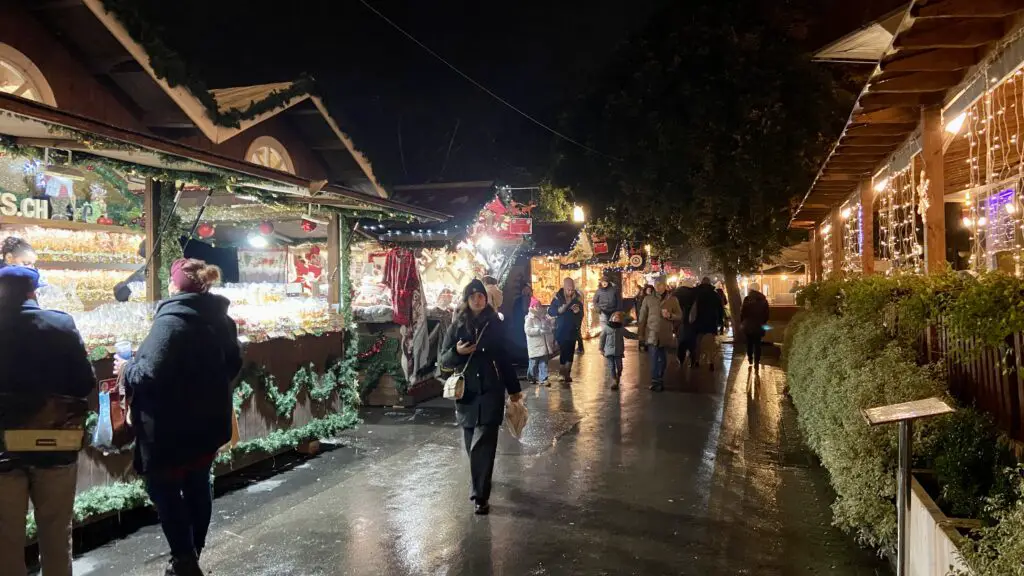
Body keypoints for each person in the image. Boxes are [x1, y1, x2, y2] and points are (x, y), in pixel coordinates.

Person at [113, 258, 242, 576]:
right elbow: (234, 364)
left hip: (169, 429)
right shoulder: (221, 318)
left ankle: (184, 558)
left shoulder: (171, 321)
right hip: (208, 423)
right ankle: (192, 551)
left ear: (174, 285)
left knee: (164, 489)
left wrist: (126, 368)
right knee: (198, 483)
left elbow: (149, 374)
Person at [0, 266, 95, 576]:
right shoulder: (60, 324)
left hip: (2, 450)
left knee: (5, 540)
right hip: (54, 442)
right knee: (56, 532)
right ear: (33, 291)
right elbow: (84, 382)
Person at [439, 279, 522, 515]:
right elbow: (443, 360)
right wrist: (457, 352)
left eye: (481, 296)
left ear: (487, 299)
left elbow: (505, 358)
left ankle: (480, 495)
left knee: (484, 441)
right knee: (471, 445)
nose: (478, 299)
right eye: (473, 296)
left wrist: (514, 389)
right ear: (467, 300)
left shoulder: (496, 324)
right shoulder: (457, 325)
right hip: (466, 392)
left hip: (491, 389)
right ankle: (481, 478)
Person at [637, 279, 682, 391]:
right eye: (656, 285)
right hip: (652, 332)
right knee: (653, 358)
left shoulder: (672, 299)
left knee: (663, 359)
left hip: (665, 333)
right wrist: (640, 333)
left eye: (660, 284)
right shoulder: (648, 299)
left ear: (665, 286)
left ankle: (660, 377)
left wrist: (670, 315)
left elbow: (680, 316)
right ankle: (655, 381)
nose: (657, 287)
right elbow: (642, 317)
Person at [548, 278, 585, 384]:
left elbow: (581, 314)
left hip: (573, 330)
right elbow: (551, 311)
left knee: (570, 351)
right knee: (563, 350)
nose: (570, 292)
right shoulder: (558, 298)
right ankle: (562, 372)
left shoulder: (577, 299)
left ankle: (567, 373)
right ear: (564, 287)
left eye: (572, 289)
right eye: (568, 289)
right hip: (561, 329)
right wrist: (559, 310)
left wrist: (578, 312)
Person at [691, 277, 725, 371]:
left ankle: (697, 360)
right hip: (711, 322)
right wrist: (720, 321)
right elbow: (720, 308)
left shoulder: (696, 293)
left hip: (698, 321)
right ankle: (711, 362)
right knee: (711, 343)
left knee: (698, 342)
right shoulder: (714, 294)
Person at [600, 311, 637, 390]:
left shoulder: (621, 329)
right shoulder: (607, 328)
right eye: (615, 317)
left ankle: (618, 376)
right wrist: (601, 349)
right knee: (611, 366)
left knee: (619, 367)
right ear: (612, 318)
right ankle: (614, 380)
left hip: (618, 351)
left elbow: (628, 335)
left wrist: (638, 336)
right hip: (609, 351)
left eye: (618, 318)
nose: (617, 319)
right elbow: (602, 339)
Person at [740, 282, 771, 371]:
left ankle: (750, 358)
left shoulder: (747, 299)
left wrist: (743, 322)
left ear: (751, 289)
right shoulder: (763, 300)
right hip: (759, 325)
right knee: (758, 344)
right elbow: (766, 314)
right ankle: (757, 361)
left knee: (749, 342)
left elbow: (743, 312)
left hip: (748, 324)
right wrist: (763, 322)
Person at [524, 299, 555, 386]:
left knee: (543, 363)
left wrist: (549, 325)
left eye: (539, 305)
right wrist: (538, 330)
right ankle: (531, 377)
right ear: (532, 307)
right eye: (536, 306)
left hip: (544, 344)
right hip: (535, 345)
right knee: (533, 363)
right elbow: (527, 330)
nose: (538, 307)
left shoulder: (544, 317)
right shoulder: (529, 318)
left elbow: (548, 328)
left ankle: (543, 379)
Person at [673, 280, 698, 368]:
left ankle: (681, 359)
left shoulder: (677, 293)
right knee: (692, 340)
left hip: (680, 320)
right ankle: (693, 358)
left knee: (681, 340)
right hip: (692, 320)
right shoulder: (696, 293)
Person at [508, 284, 533, 364]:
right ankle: (522, 360)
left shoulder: (532, 300)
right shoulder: (518, 301)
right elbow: (515, 312)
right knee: (521, 341)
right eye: (524, 290)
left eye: (527, 290)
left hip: (530, 324)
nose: (525, 292)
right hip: (520, 324)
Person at [636, 284, 655, 352]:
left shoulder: (654, 298)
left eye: (651, 290)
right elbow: (639, 309)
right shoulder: (642, 298)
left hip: (651, 318)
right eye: (648, 290)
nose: (649, 291)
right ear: (645, 290)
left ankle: (648, 344)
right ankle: (642, 345)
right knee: (642, 332)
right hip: (643, 318)